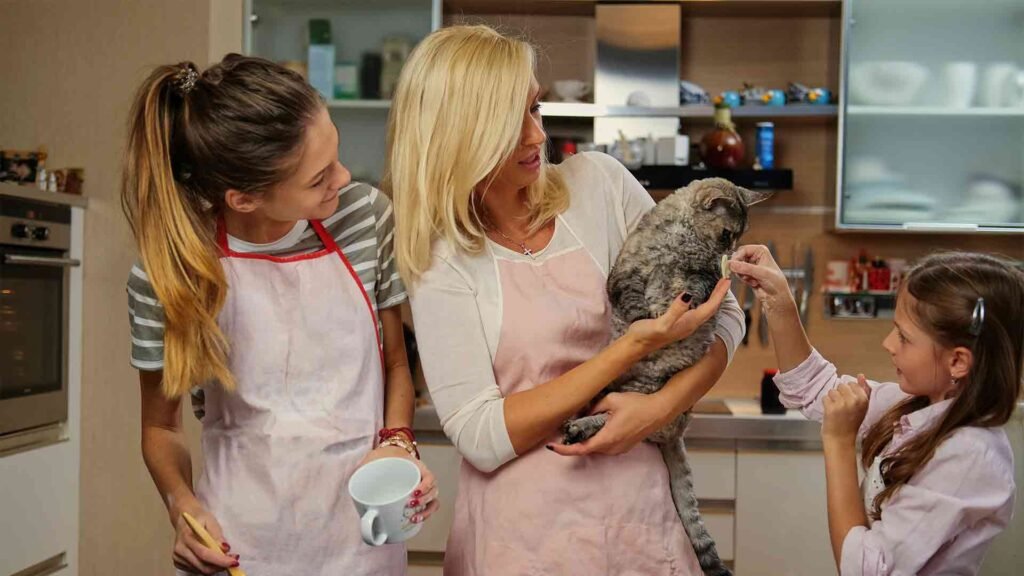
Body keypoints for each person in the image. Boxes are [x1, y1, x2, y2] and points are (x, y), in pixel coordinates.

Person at [387, 26, 744, 574]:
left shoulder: (598, 186)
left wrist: (657, 410)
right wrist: (626, 352)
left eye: (536, 107)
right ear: (458, 137)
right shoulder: (440, 259)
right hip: (521, 538)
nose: (537, 137)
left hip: (638, 516)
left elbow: (723, 315)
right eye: (513, 122)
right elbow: (481, 435)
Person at [122, 54, 436, 575]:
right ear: (244, 198)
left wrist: (399, 444)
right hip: (242, 545)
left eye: (336, 155)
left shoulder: (364, 219)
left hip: (361, 541)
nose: (342, 178)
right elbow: (161, 427)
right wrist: (182, 506)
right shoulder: (174, 272)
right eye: (318, 179)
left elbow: (396, 364)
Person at [731, 247, 1022, 575]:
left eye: (904, 337)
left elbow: (866, 569)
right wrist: (778, 296)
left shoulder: (969, 455)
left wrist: (839, 443)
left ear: (957, 361)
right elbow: (814, 390)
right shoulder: (918, 405)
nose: (888, 343)